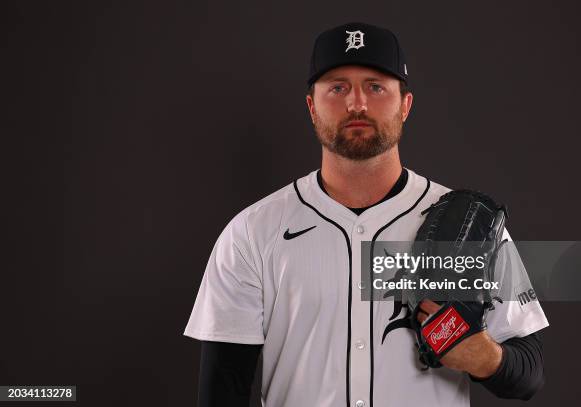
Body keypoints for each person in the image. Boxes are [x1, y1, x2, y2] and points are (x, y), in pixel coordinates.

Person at [184, 22, 548, 407]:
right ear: (311, 106)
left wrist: (486, 358)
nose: (356, 104)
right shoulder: (253, 233)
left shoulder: (469, 224)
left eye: (376, 87)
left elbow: (530, 373)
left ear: (405, 105)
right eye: (337, 87)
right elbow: (223, 391)